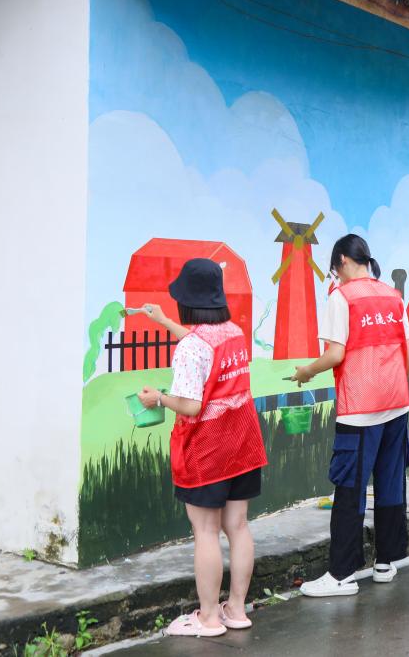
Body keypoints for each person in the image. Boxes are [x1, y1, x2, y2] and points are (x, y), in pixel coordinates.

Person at [135, 258, 267, 637]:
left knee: (206, 532)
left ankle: (208, 618)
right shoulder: (234, 333)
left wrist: (157, 398)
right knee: (238, 526)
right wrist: (163, 322)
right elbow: (201, 347)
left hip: (208, 448)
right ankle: (236, 610)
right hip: (242, 441)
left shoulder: (192, 347)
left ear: (188, 301)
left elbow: (191, 404)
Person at [292, 235, 409, 598]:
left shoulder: (341, 298)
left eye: (336, 270)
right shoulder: (393, 297)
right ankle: (385, 562)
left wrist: (306, 372)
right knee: (391, 483)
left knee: (350, 487)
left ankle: (342, 573)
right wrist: (390, 383)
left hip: (360, 410)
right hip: (396, 406)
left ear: (343, 261)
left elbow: (334, 355)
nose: (337, 277)